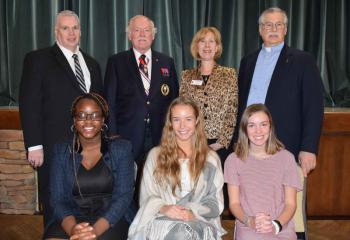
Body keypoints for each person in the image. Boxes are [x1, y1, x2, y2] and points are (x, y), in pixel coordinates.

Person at [19, 10, 103, 228]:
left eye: (75, 28)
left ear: (81, 32)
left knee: (82, 199)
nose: (71, 33)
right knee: (54, 200)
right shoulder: (38, 60)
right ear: (56, 31)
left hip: (88, 147)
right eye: (65, 28)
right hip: (53, 145)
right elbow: (30, 105)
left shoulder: (92, 64)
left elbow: (101, 107)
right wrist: (34, 145)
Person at [235, 7, 324, 177]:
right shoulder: (248, 61)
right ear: (260, 30)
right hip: (248, 145)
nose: (273, 29)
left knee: (286, 201)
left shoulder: (303, 61)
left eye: (278, 25)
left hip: (285, 146)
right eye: (268, 25)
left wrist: (309, 148)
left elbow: (313, 108)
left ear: (286, 29)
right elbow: (240, 104)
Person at [128, 97, 226, 239]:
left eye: (188, 119)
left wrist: (192, 213)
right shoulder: (155, 156)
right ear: (170, 123)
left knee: (182, 232)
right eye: (176, 119)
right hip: (160, 218)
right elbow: (147, 196)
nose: (182, 126)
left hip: (199, 220)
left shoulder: (211, 159)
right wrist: (165, 208)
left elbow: (215, 202)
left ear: (197, 121)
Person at [45, 93, 134, 240]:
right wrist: (74, 229)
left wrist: (94, 232)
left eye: (94, 115)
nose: (88, 121)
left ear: (103, 119)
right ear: (74, 120)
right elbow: (57, 200)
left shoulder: (121, 149)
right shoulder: (61, 152)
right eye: (81, 115)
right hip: (72, 219)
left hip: (110, 220)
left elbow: (123, 197)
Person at [104, 15, 179, 168]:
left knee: (159, 181)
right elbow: (109, 101)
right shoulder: (116, 62)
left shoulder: (167, 62)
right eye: (137, 30)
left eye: (146, 30)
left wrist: (173, 132)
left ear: (153, 35)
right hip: (126, 136)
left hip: (160, 135)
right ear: (129, 35)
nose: (142, 34)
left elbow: (174, 100)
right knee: (127, 184)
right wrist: (112, 134)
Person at [224, 104, 302, 239]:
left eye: (263, 124)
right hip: (248, 225)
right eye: (251, 125)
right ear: (244, 130)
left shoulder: (287, 158)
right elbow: (234, 204)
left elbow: (290, 204)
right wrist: (250, 221)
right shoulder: (233, 160)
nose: (258, 131)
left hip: (280, 225)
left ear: (270, 127)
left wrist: (276, 225)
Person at [180, 26, 238, 164]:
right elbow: (183, 110)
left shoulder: (229, 74)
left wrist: (222, 142)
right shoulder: (186, 76)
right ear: (196, 46)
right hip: (193, 141)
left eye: (211, 41)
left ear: (217, 47)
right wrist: (190, 139)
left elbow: (232, 110)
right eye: (202, 41)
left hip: (220, 145)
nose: (207, 46)